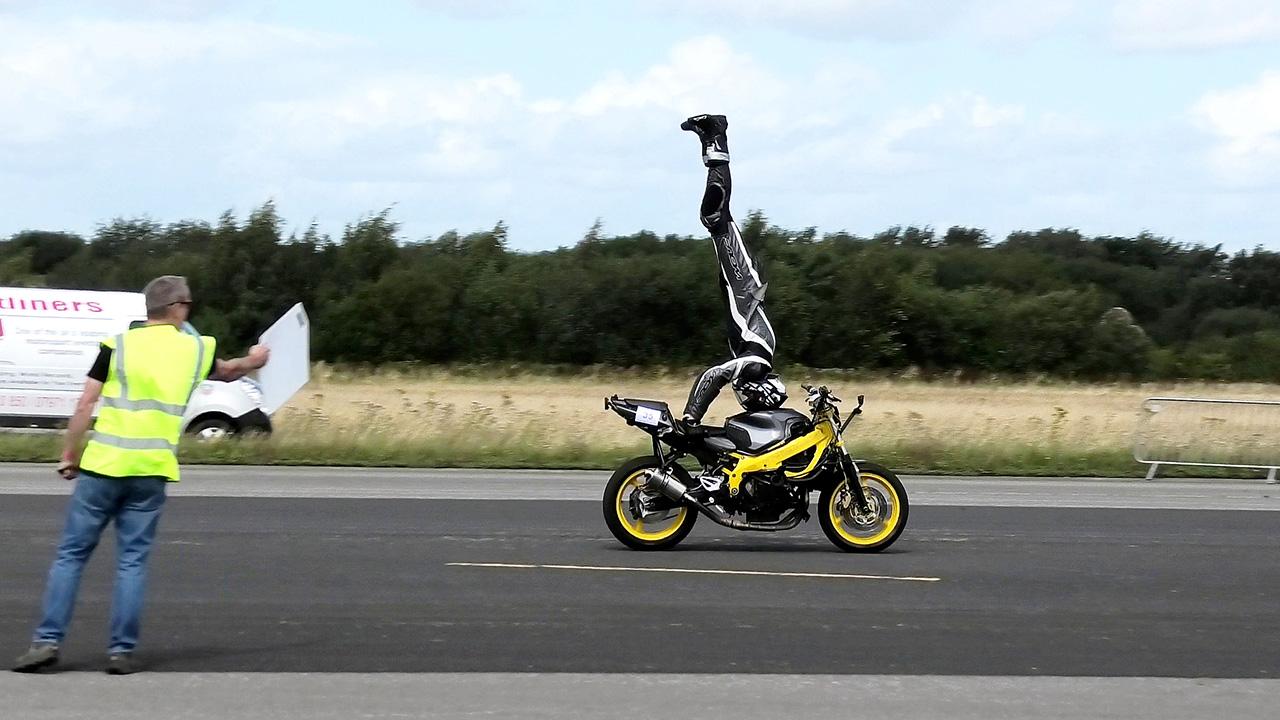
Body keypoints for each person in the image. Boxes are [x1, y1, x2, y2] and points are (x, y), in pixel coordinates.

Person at [12, 276, 269, 675]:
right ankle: (120, 651)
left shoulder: (117, 345)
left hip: (102, 467)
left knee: (71, 556)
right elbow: (232, 371)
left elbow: (85, 404)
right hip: (150, 471)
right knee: (131, 561)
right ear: (178, 307)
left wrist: (69, 455)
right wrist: (257, 357)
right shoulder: (197, 349)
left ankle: (47, 642)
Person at [678, 114, 788, 443]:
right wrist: (690, 416)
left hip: (742, 289)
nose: (743, 394)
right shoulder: (756, 363)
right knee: (715, 215)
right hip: (745, 286)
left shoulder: (752, 356)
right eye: (750, 395)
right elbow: (717, 375)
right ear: (761, 386)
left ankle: (711, 139)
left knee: (713, 217)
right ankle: (715, 134)